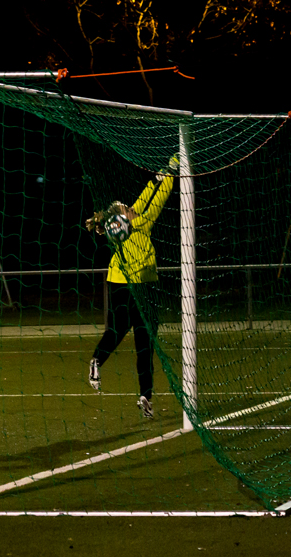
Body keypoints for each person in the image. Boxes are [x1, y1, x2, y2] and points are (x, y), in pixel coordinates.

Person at [85, 155, 179, 419]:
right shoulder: (141, 223)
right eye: (126, 208)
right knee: (141, 342)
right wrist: (172, 174)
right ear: (124, 220)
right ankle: (103, 365)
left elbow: (146, 194)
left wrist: (162, 171)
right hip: (138, 288)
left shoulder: (126, 224)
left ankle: (143, 396)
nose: (130, 207)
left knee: (136, 341)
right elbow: (158, 198)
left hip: (122, 283)